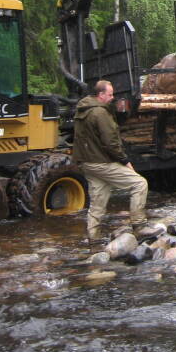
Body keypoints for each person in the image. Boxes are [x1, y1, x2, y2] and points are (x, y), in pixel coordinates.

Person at [72, 80, 154, 247]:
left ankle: (93, 239)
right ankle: (139, 226)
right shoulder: (100, 113)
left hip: (86, 163)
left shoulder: (82, 110)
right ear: (101, 95)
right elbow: (111, 142)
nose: (112, 97)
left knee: (97, 202)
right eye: (110, 94)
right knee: (139, 184)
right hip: (101, 162)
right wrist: (125, 161)